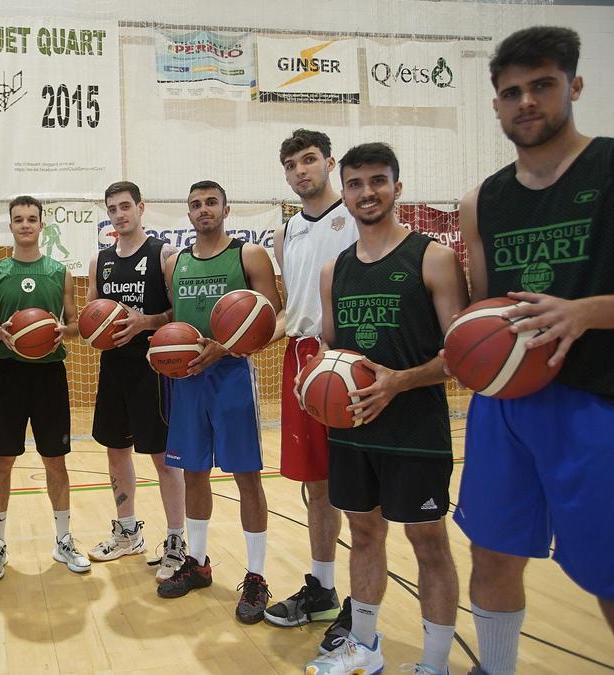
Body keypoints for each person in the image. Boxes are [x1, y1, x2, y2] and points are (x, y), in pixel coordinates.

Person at [454, 26, 614, 675]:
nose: (526, 101)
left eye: (542, 85)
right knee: (491, 556)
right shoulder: (480, 203)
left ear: (574, 86)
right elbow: (491, 317)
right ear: (495, 105)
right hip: (503, 411)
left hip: (602, 409)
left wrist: (586, 312)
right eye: (511, 91)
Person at [304, 143, 468, 675]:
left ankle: (436, 663)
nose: (366, 192)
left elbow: (464, 356)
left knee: (428, 541)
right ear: (344, 191)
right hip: (351, 431)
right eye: (355, 183)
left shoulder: (433, 257)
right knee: (365, 533)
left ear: (398, 188)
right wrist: (315, 382)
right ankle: (365, 647)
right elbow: (333, 352)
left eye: (378, 181)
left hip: (415, 429)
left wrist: (401, 381)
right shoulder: (335, 270)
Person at [157, 180, 282, 626]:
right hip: (188, 381)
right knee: (193, 473)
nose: (203, 209)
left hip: (232, 377)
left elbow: (271, 318)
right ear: (187, 214)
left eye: (211, 202)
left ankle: (256, 576)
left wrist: (225, 348)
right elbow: (176, 322)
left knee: (247, 477)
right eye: (195, 204)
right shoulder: (176, 264)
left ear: (227, 209)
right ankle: (198, 561)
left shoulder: (248, 255)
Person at [266, 130, 358, 649]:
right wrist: (240, 337)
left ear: (329, 161)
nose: (301, 171)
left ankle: (362, 607)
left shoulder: (356, 215)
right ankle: (322, 588)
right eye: (291, 165)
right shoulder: (286, 233)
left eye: (309, 160)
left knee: (358, 488)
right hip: (300, 358)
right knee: (317, 485)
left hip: (348, 358)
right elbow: (290, 310)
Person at [0, 195, 89, 579]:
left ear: (42, 225)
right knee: (2, 462)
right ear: (10, 226)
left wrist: (63, 331)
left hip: (49, 375)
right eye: (18, 219)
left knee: (55, 462)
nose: (25, 225)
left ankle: (63, 539)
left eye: (31, 219)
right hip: (8, 374)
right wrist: (1, 334)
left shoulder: (60, 272)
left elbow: (76, 324)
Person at [85, 181, 187, 581]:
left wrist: (148, 321)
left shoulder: (164, 254)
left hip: (153, 370)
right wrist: (95, 328)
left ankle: (177, 540)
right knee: (115, 450)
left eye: (125, 206)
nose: (119, 214)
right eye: (112, 208)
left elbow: (179, 311)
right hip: (114, 367)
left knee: (162, 459)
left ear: (141, 208)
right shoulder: (101, 260)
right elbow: (93, 309)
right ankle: (128, 531)